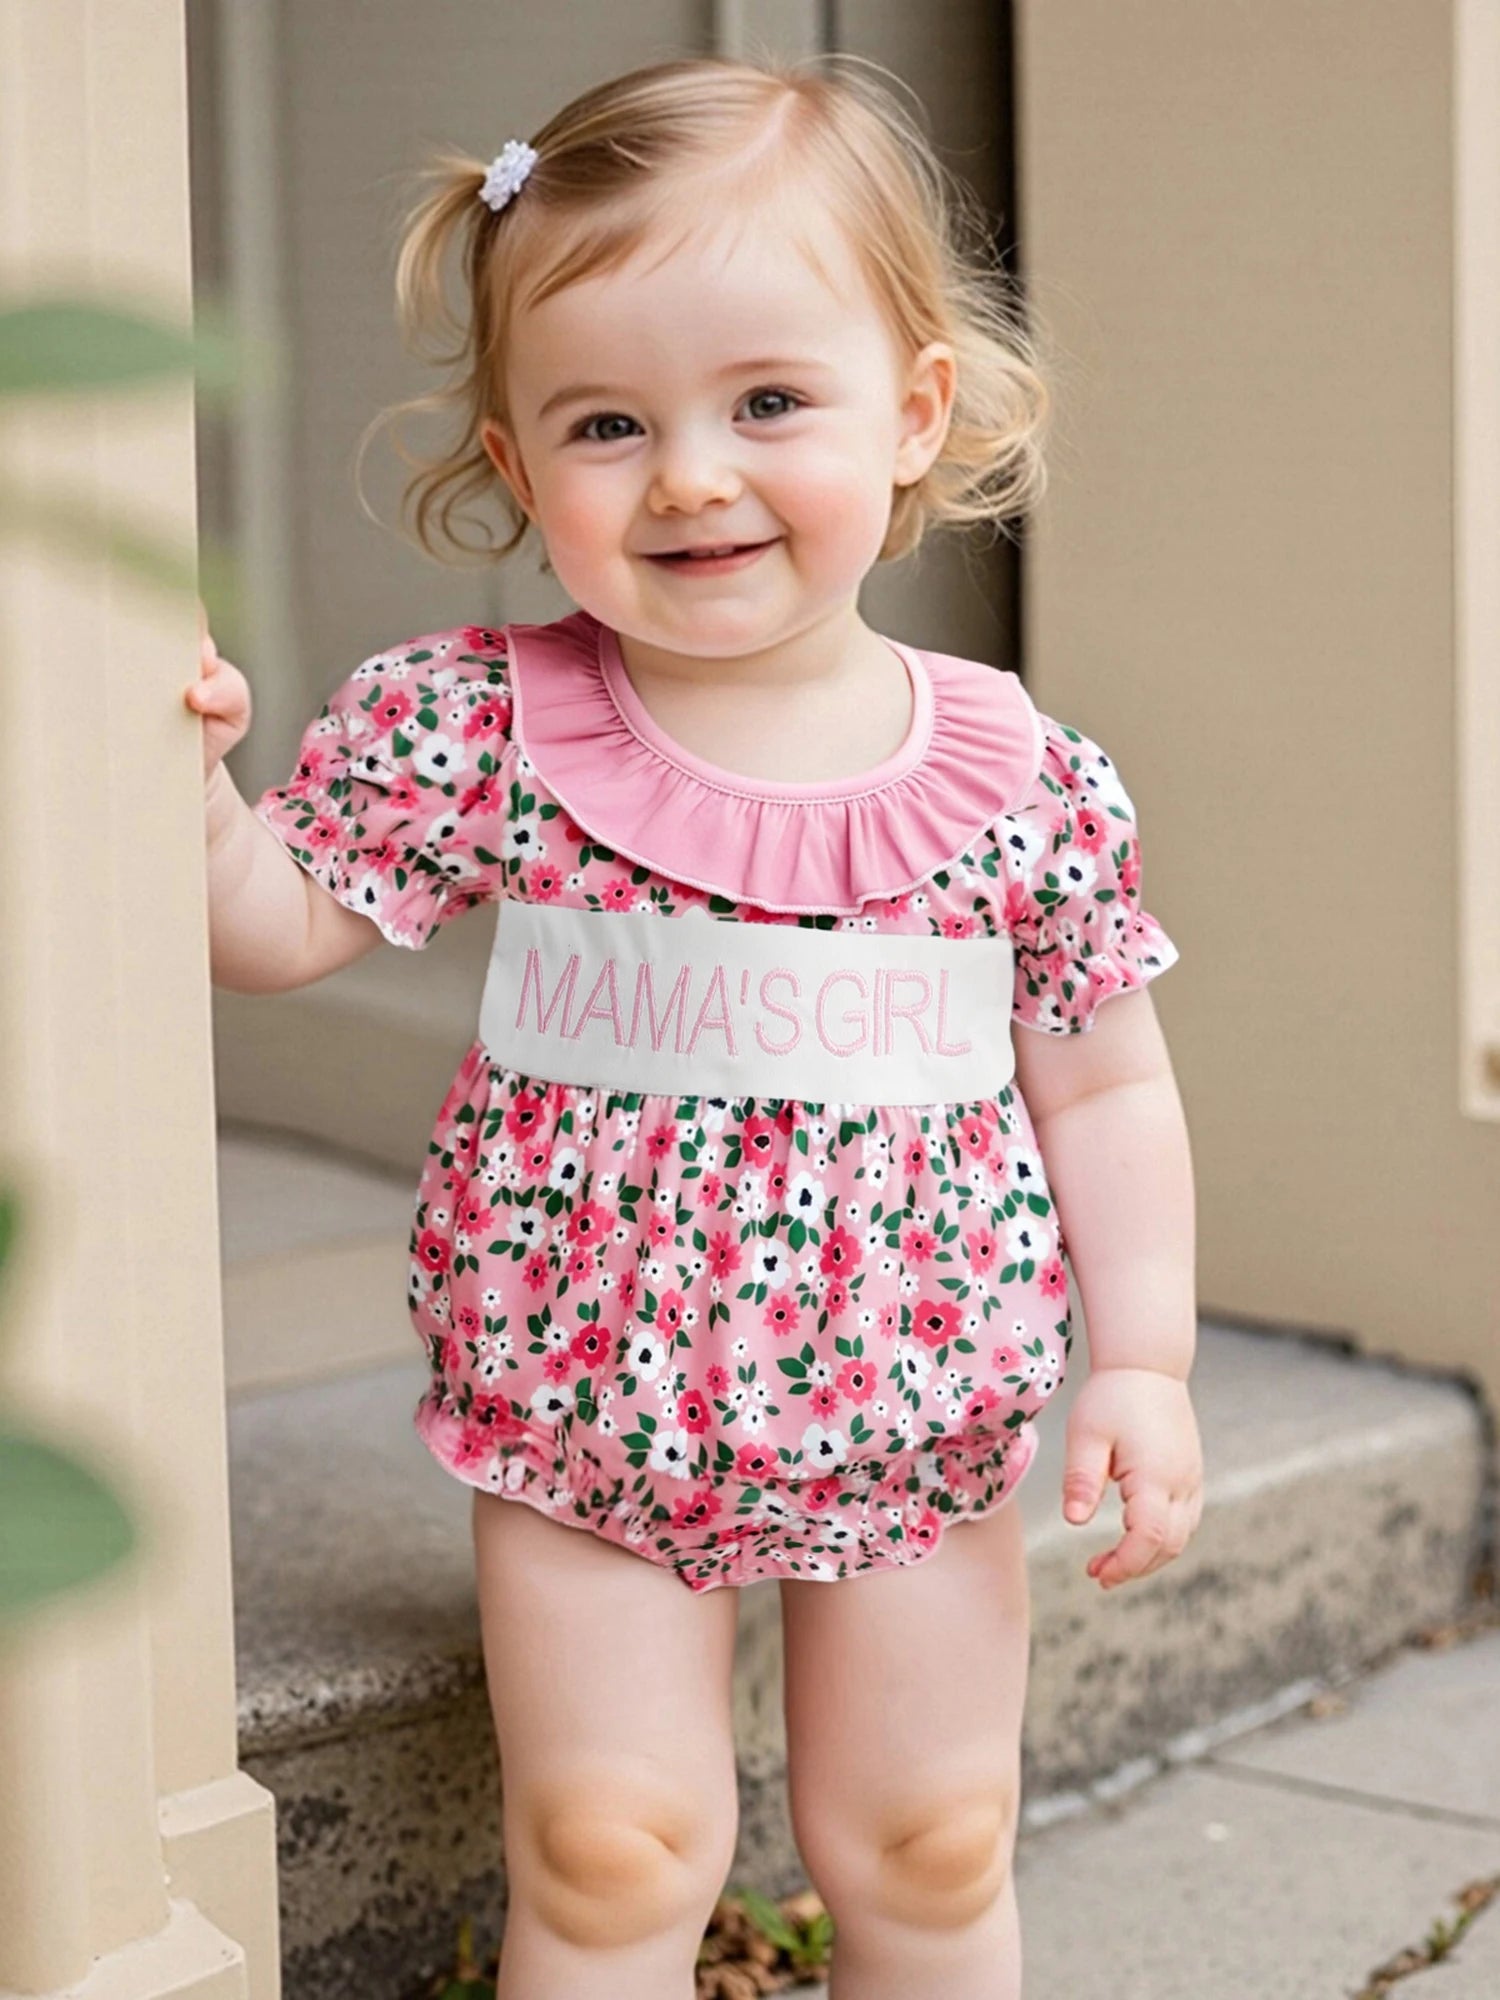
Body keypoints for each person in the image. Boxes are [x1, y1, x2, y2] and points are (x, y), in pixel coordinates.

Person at [189, 52, 1202, 2000]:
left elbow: (1105, 1080)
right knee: (607, 1845)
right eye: (607, 423)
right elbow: (276, 924)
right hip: (585, 1394)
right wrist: (191, 785)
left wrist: (1143, 1358)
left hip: (918, 1396)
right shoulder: (482, 727)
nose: (690, 474)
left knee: (933, 1834)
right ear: (516, 468)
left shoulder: (1023, 784)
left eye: (768, 402)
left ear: (914, 415)